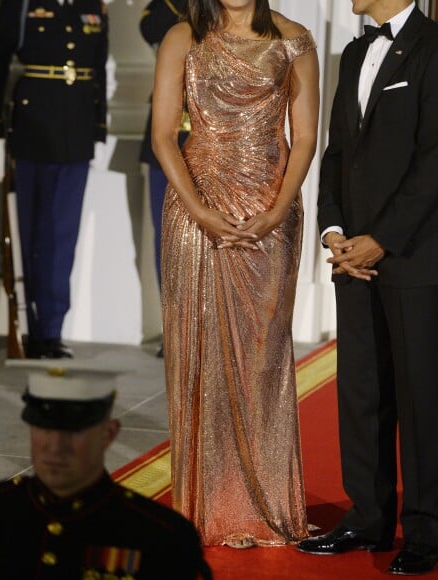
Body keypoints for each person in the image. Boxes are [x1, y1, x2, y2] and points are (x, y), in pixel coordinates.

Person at [296, 0, 438, 575]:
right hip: (353, 257)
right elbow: (338, 152)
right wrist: (334, 229)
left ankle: (425, 532)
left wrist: (383, 238)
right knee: (362, 392)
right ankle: (367, 516)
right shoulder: (352, 52)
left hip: (414, 257)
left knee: (420, 398)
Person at [151, 0, 319, 548]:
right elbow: (162, 137)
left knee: (262, 355)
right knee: (197, 352)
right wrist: (201, 212)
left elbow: (306, 139)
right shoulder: (183, 37)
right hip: (195, 211)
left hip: (272, 211)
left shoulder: (295, 39)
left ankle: (261, 505)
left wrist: (275, 211)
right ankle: (208, 507)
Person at [0, 365, 211, 579]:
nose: (56, 447)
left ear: (108, 434)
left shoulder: (161, 537)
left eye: (74, 431)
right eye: (44, 428)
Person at [0, 0, 109, 359]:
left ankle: (50, 330)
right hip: (32, 131)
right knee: (28, 236)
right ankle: (26, 321)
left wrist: (100, 130)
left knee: (62, 238)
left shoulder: (93, 6)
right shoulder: (21, 5)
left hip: (78, 132)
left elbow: (97, 70)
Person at [139, 0, 189, 358]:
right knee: (167, 241)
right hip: (168, 136)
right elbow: (151, 29)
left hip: (218, 138)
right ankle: (175, 331)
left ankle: (207, 331)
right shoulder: (167, 6)